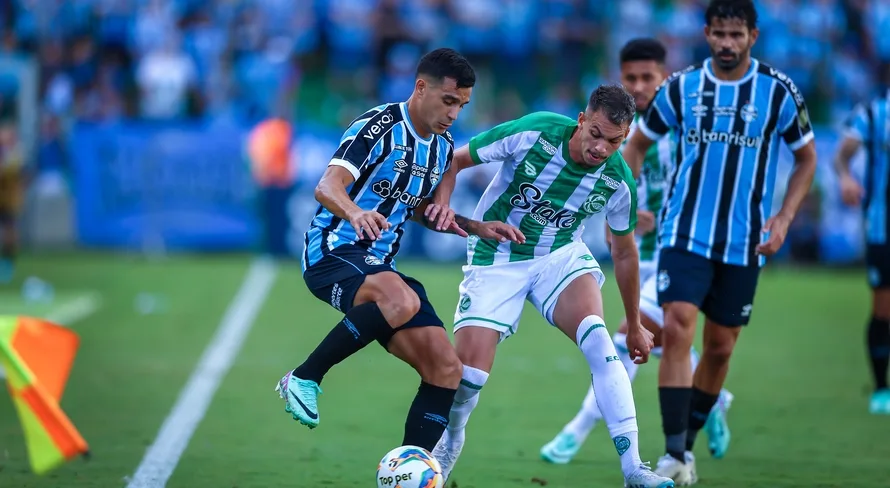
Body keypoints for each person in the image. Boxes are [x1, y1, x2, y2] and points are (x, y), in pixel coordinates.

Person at [426, 84, 675, 488]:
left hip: (559, 257)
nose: (600, 148)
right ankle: (449, 446)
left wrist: (635, 323)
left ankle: (634, 469)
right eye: (595, 133)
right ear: (582, 119)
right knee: (469, 376)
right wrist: (443, 203)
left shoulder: (617, 180)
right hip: (496, 257)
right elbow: (455, 161)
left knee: (599, 340)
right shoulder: (537, 132)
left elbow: (625, 253)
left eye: (614, 141)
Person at [274, 48, 523, 453]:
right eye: (448, 101)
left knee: (447, 370)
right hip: (333, 251)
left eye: (461, 105)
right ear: (420, 87)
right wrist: (355, 213)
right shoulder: (378, 125)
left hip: (378, 267)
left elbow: (421, 211)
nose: (453, 113)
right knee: (401, 298)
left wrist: (477, 227)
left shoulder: (442, 145)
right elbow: (327, 186)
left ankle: (411, 470)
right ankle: (305, 377)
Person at [622, 0, 817, 483]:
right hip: (684, 233)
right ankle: (671, 453)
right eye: (719, 34)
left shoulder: (778, 92)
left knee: (721, 348)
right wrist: (621, 208)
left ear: (753, 35)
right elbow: (637, 145)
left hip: (745, 242)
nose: (727, 43)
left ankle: (687, 445)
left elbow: (806, 158)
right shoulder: (681, 88)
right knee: (679, 322)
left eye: (737, 34)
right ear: (707, 34)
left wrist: (785, 218)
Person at [539, 37, 733, 467]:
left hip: (678, 252)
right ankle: (715, 398)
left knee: (628, 336)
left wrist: (663, 213)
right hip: (631, 253)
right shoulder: (611, 128)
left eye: (649, 77)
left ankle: (577, 431)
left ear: (665, 78)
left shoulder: (683, 127)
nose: (640, 85)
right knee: (660, 341)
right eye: (631, 77)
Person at [833, 89, 890, 415]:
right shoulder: (873, 113)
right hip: (882, 227)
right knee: (883, 308)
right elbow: (841, 156)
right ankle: (881, 388)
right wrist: (845, 179)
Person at [0, 123, 25, 284]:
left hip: (10, 201)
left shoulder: (16, 153)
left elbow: (10, 170)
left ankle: (8, 265)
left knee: (10, 233)